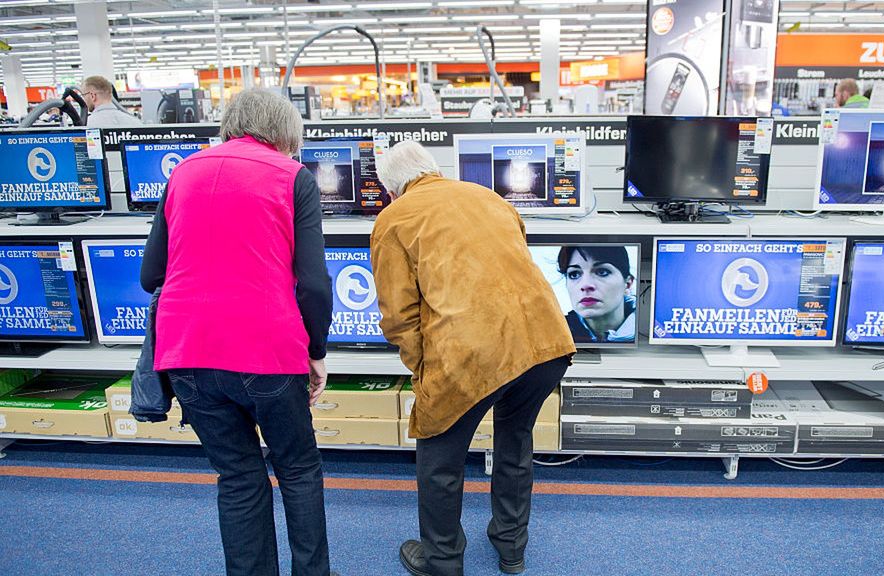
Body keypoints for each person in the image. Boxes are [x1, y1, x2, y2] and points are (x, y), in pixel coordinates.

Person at [140, 88, 334, 576]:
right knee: (298, 470)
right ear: (286, 134)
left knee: (238, 476)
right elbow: (313, 282)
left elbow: (150, 276)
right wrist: (316, 350)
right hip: (267, 350)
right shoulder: (293, 177)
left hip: (185, 352)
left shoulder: (183, 172)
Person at [370, 140, 577, 576]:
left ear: (392, 190)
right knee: (515, 440)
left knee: (439, 457)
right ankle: (511, 548)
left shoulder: (394, 218)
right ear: (433, 170)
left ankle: (442, 560)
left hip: (472, 351)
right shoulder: (488, 197)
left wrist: (424, 372)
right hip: (546, 340)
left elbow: (398, 316)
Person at [558, 245, 636, 343]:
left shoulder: (648, 330)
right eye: (574, 274)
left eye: (602, 272)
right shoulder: (553, 335)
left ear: (628, 284)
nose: (585, 285)